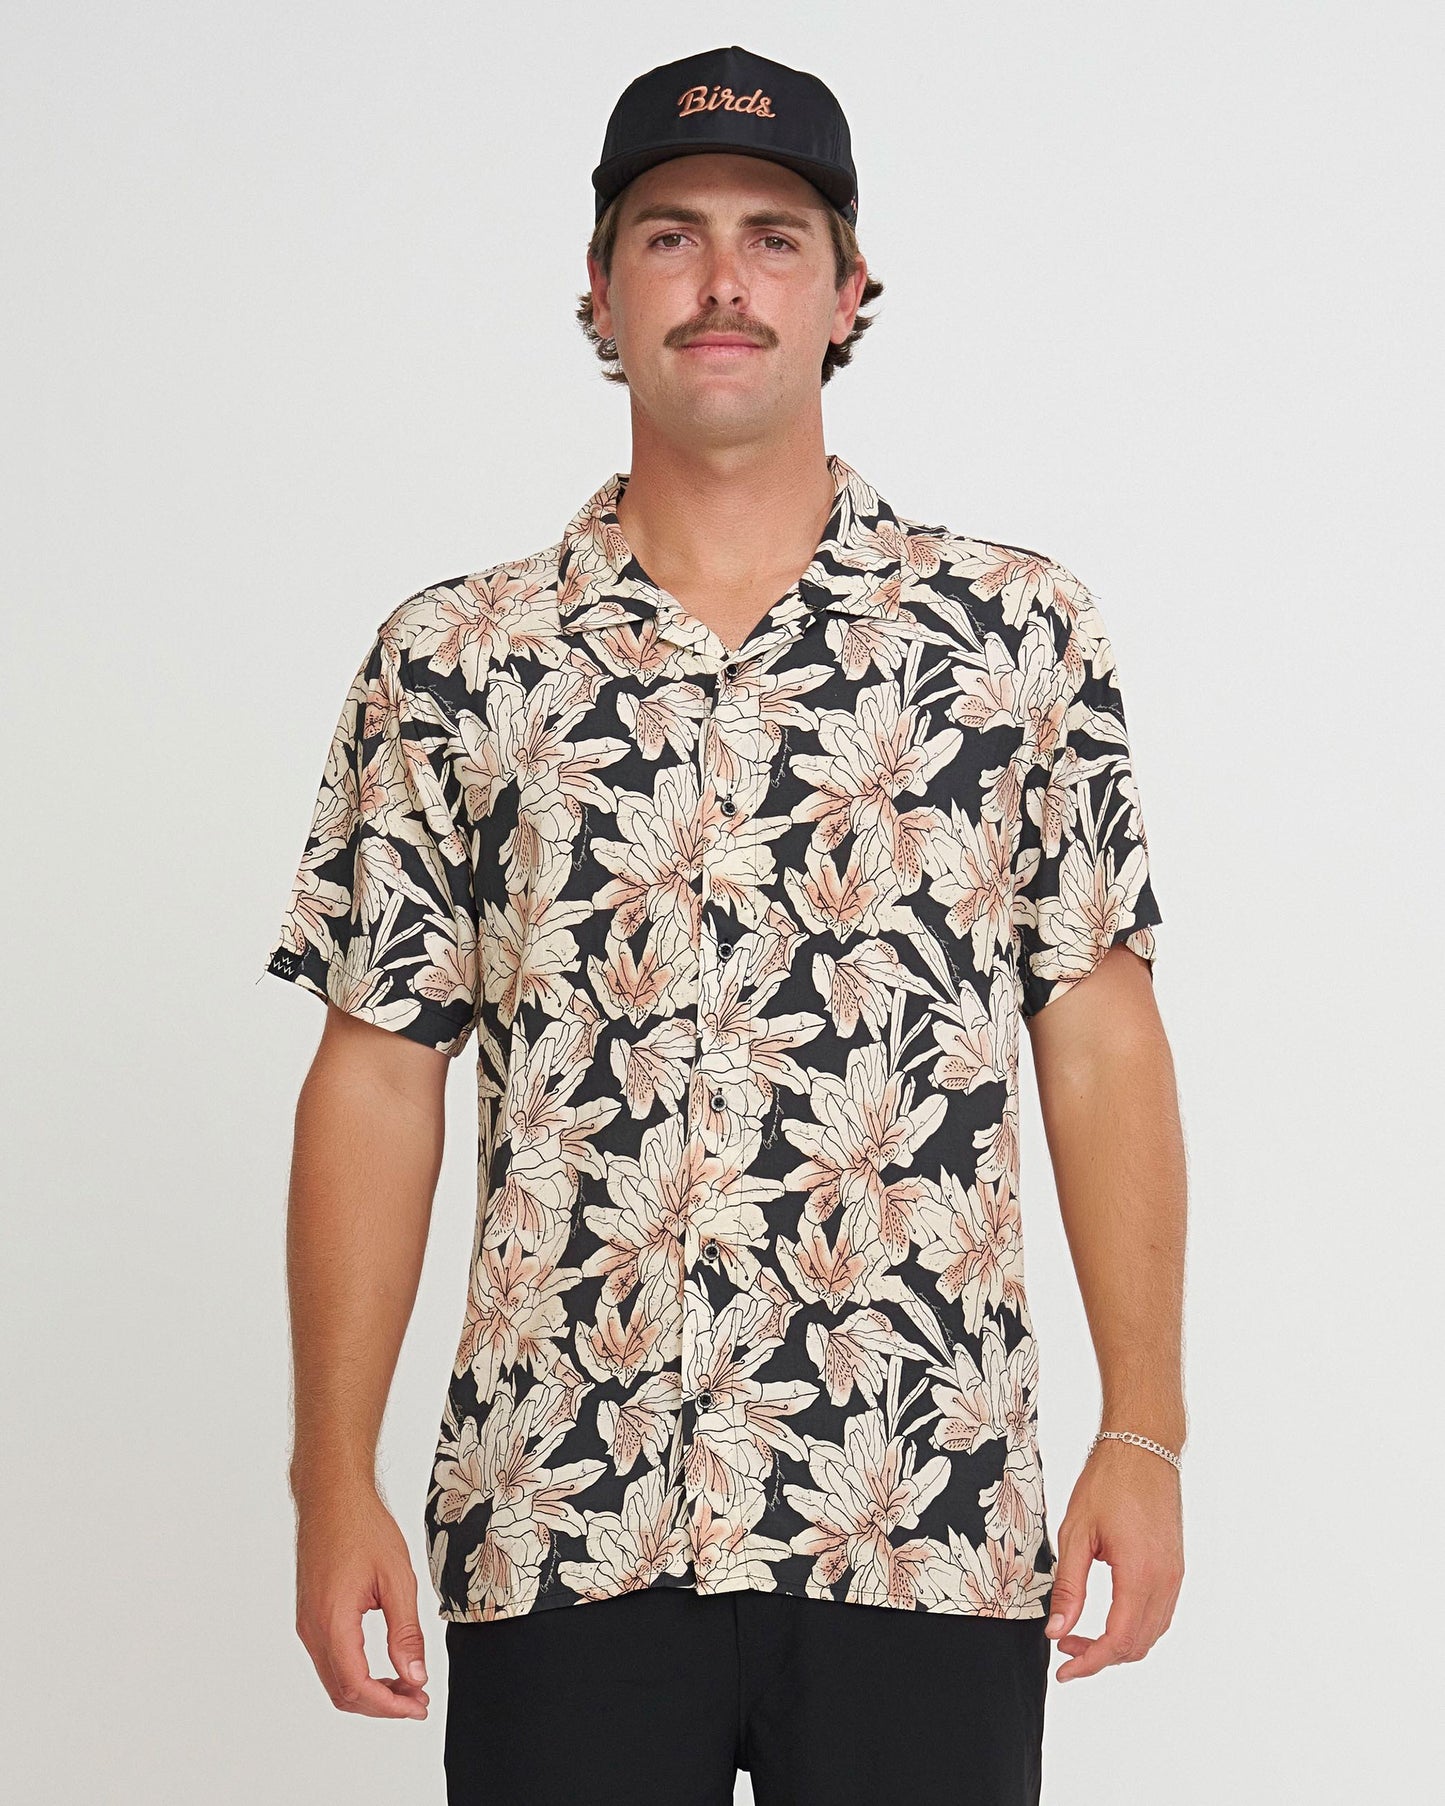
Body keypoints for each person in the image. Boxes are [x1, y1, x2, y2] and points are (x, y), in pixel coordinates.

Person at [263, 42, 1188, 1806]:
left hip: (917, 1514)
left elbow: (1098, 1032)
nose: (720, 280)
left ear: (847, 292)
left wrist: (1142, 1429)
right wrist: (330, 1477)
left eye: (774, 238)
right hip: (560, 1513)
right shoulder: (453, 660)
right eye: (669, 234)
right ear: (599, 290)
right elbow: (376, 1072)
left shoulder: (1014, 639)